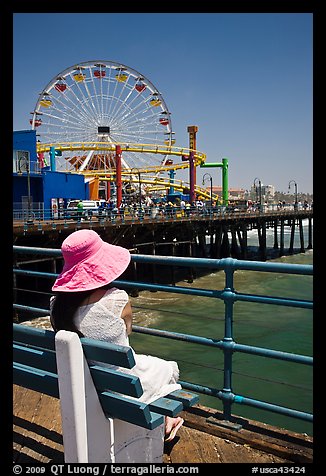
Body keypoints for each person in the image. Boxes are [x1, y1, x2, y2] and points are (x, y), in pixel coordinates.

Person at [50, 229, 183, 442]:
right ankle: (167, 421)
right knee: (167, 368)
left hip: (82, 384)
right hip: (121, 388)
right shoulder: (117, 299)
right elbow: (126, 332)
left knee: (149, 366)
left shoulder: (57, 305)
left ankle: (166, 421)